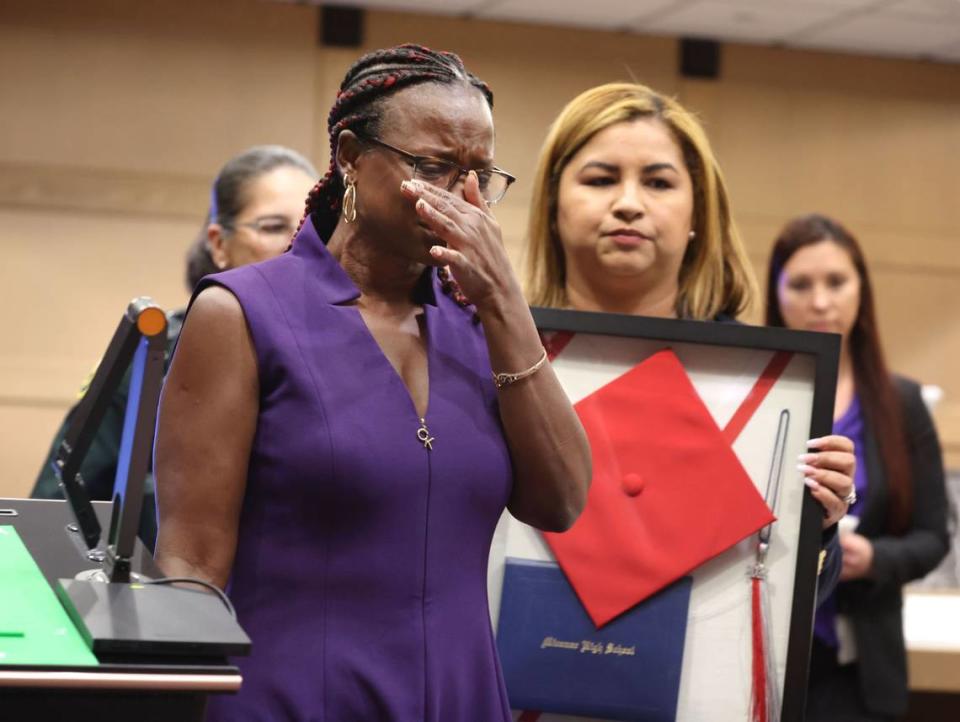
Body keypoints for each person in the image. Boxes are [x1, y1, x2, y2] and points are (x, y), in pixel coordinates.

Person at [153, 44, 591, 722]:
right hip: (288, 695)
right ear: (353, 155)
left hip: (461, 694)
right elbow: (192, 562)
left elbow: (560, 502)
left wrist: (506, 303)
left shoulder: (481, 323)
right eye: (433, 166)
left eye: (480, 173)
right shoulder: (243, 313)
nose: (462, 195)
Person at [524, 82, 854, 595]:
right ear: (552, 203)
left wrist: (823, 523)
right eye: (601, 178)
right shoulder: (493, 353)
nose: (629, 203)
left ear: (698, 213)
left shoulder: (764, 380)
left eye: (657, 183)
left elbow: (790, 591)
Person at [30, 145, 317, 550]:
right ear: (219, 244)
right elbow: (53, 514)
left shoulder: (350, 353)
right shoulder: (148, 357)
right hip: (163, 599)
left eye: (312, 227)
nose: (297, 243)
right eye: (273, 227)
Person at [766, 213, 949, 721]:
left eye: (837, 282)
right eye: (800, 284)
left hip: (860, 666)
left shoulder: (901, 402)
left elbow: (934, 537)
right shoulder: (757, 394)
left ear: (861, 290)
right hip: (762, 651)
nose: (820, 301)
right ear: (775, 293)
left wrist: (872, 558)